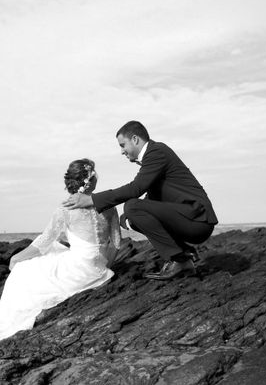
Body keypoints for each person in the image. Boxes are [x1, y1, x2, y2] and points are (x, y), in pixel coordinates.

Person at [0, 159, 121, 340]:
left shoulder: (66, 208)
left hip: (78, 268)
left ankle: (9, 319)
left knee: (22, 270)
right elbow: (116, 243)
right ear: (92, 180)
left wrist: (16, 258)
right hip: (99, 268)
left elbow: (44, 241)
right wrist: (105, 267)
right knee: (54, 252)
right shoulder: (109, 205)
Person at [63, 120, 217, 280]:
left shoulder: (157, 152)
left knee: (132, 206)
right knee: (132, 214)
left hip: (197, 220)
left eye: (123, 145)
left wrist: (93, 200)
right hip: (188, 218)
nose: (122, 151)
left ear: (135, 139)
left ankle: (179, 258)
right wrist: (127, 217)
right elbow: (151, 197)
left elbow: (135, 188)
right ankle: (184, 261)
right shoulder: (155, 154)